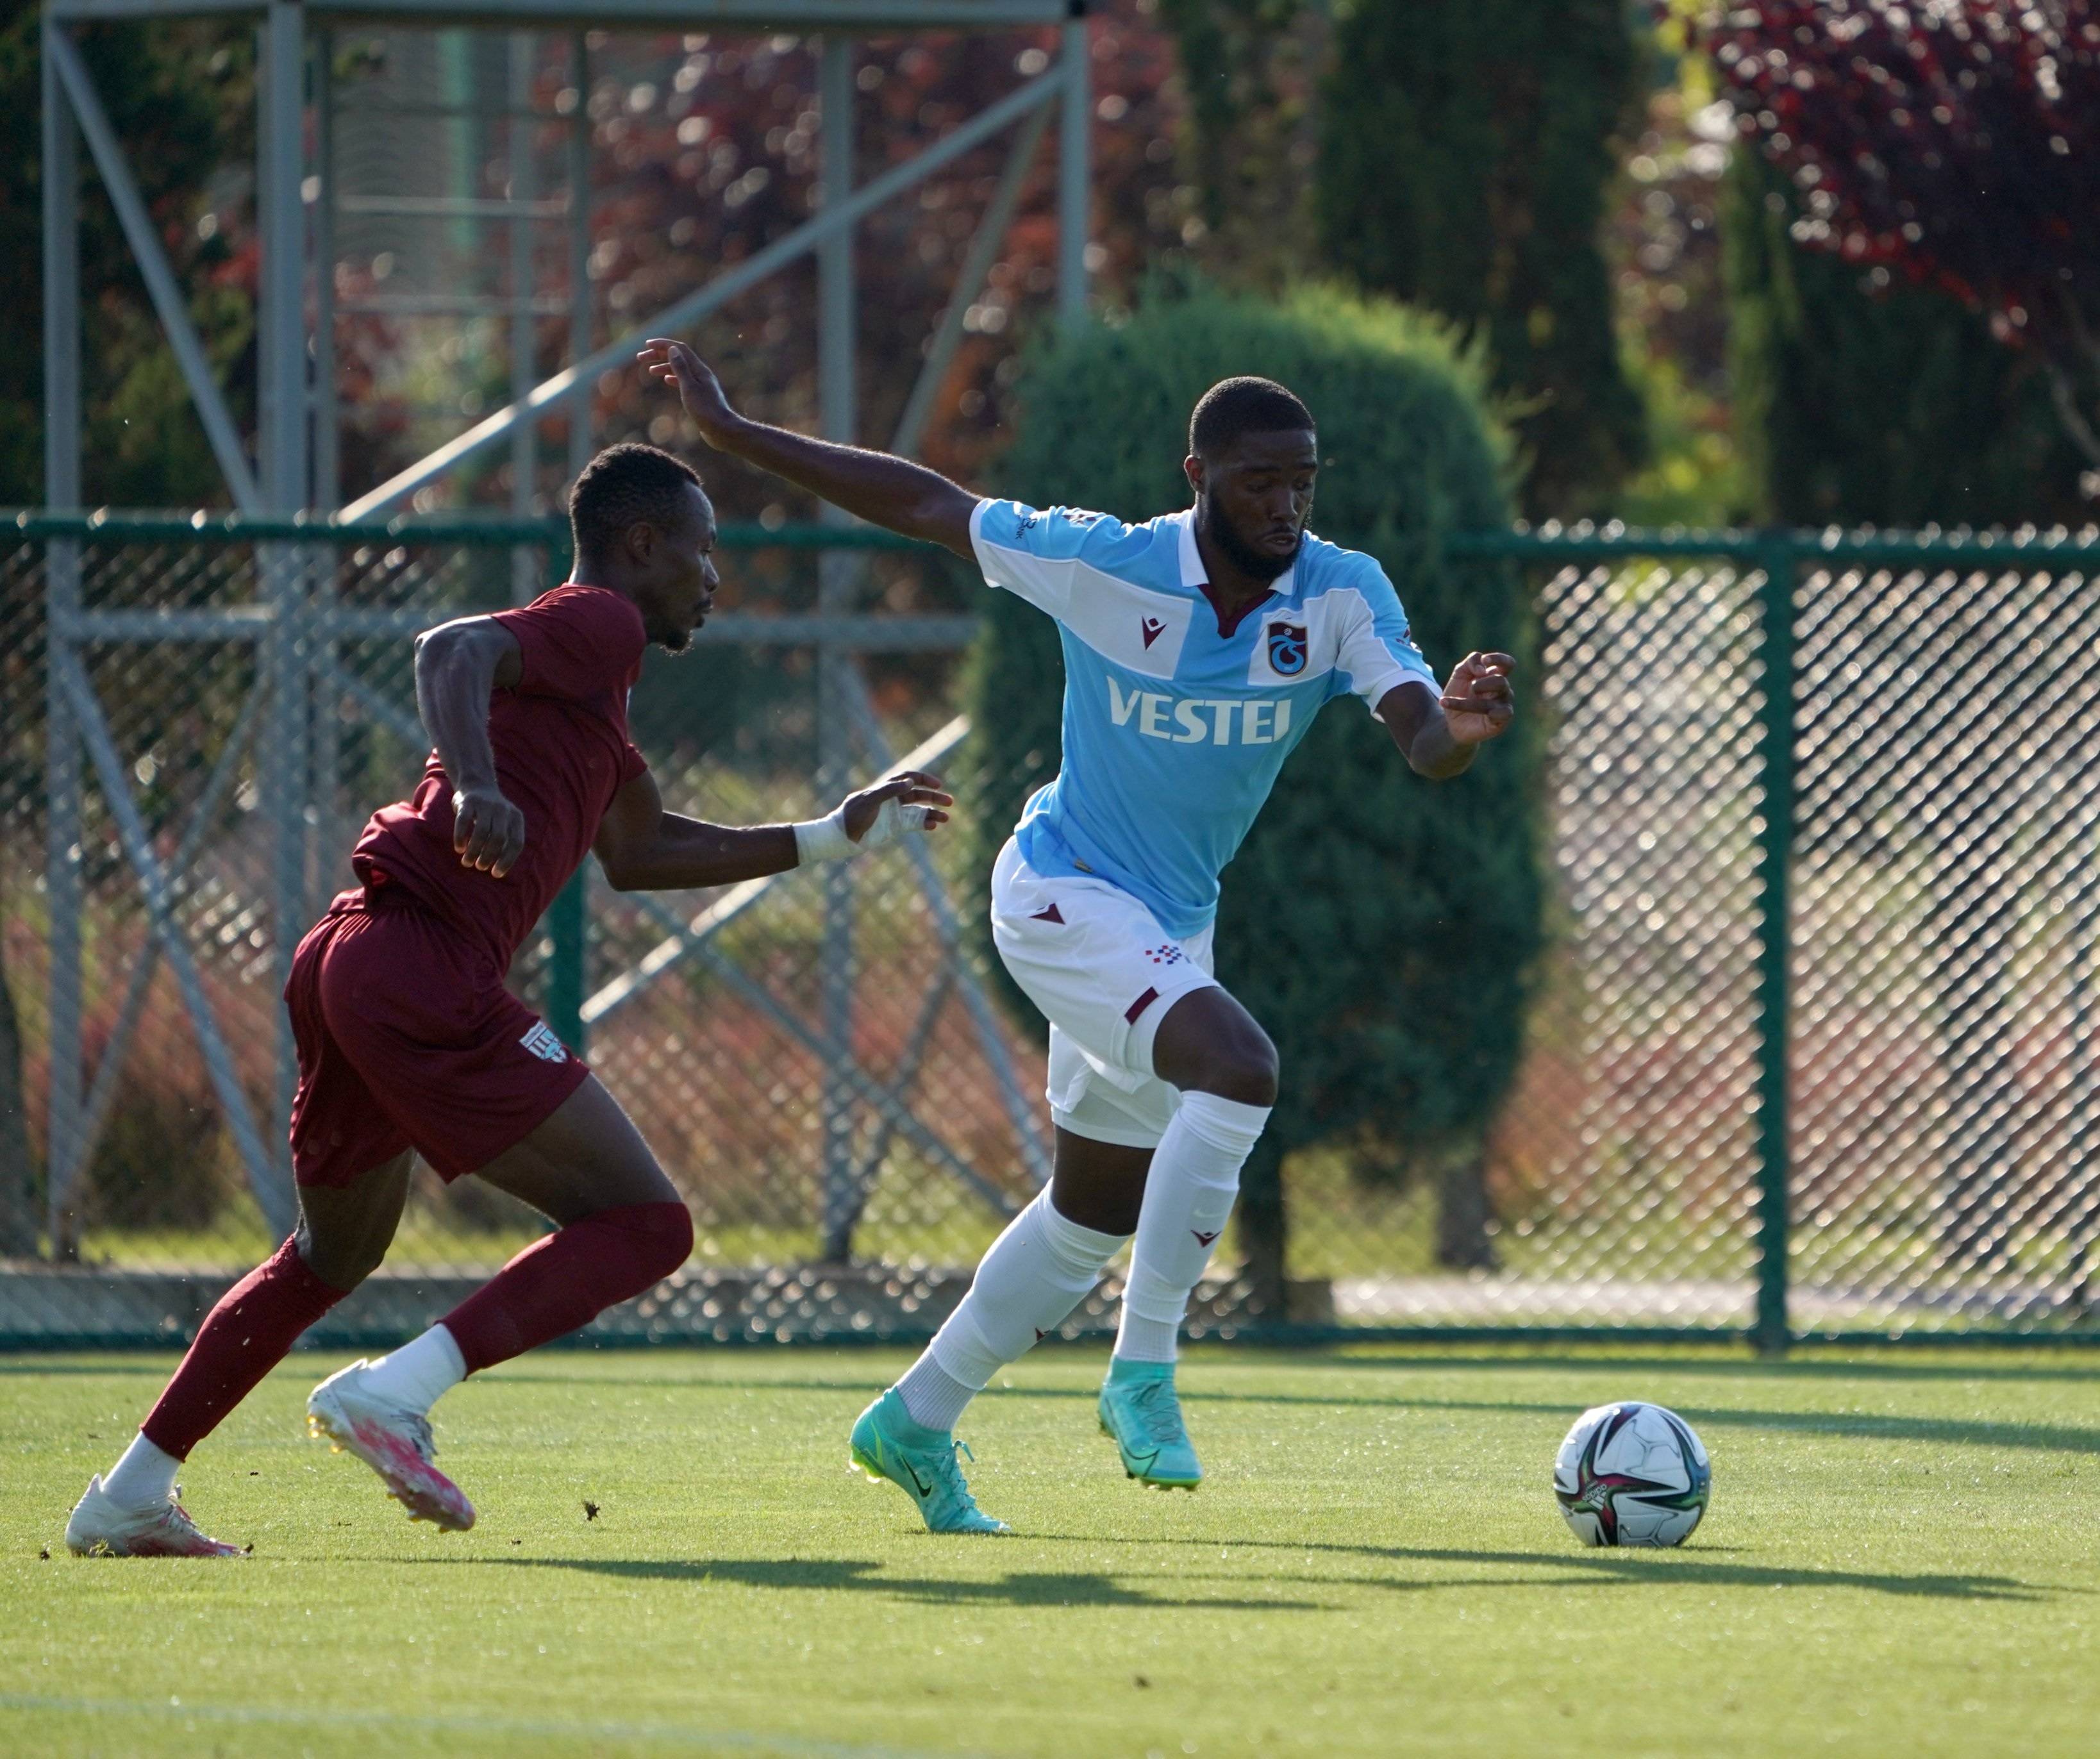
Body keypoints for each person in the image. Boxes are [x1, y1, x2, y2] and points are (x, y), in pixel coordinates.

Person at [639, 338, 1517, 1535]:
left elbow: (1420, 734)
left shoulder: (1341, 592)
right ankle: (1143, 1373)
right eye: (1262, 481)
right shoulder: (1105, 562)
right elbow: (924, 503)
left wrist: (1460, 731)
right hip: (1059, 891)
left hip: (1171, 931)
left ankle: (913, 1421)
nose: (1288, 505)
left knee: (1092, 1213)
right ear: (1199, 474)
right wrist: (737, 434)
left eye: (1304, 481)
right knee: (1243, 1070)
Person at [65, 442, 953, 1557]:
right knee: (647, 1223)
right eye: (702, 550)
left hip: (352, 960)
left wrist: (831, 837)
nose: (714, 576)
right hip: (422, 968)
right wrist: (476, 781)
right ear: (641, 547)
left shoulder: (598, 701)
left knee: (327, 1259)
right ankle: (395, 1395)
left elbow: (642, 850)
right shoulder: (604, 621)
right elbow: (453, 648)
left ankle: (129, 1494)